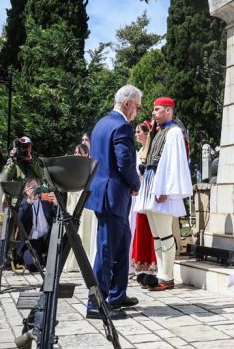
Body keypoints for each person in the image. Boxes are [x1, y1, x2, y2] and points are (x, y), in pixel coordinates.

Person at [85, 85, 143, 319]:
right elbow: (125, 162)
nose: (137, 112)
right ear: (127, 103)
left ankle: (117, 294)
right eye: (137, 106)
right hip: (114, 195)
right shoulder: (121, 126)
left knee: (121, 242)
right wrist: (136, 184)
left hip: (105, 194)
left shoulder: (101, 124)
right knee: (107, 248)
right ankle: (96, 303)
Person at [133, 97, 193, 292]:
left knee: (165, 233)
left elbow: (173, 163)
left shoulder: (174, 132)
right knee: (157, 235)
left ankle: (167, 277)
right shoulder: (158, 132)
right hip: (152, 185)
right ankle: (161, 274)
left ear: (169, 111)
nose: (154, 113)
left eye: (157, 109)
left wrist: (166, 189)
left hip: (161, 188)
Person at [131, 121, 158, 288]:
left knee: (150, 230)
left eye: (138, 131)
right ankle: (142, 267)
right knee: (140, 230)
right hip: (141, 194)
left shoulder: (152, 150)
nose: (136, 134)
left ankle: (153, 268)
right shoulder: (141, 151)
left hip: (149, 193)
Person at [64, 142, 96, 272]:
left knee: (84, 233)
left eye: (79, 152)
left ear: (86, 154)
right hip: (73, 203)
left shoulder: (90, 167)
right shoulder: (72, 167)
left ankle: (83, 262)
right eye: (75, 152)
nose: (76, 155)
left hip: (85, 205)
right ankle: (72, 262)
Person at [16, 177, 56, 272]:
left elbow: (57, 215)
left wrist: (56, 204)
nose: (33, 189)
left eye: (35, 186)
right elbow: (20, 220)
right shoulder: (22, 203)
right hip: (31, 241)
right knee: (33, 266)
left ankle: (47, 258)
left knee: (55, 232)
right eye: (30, 188)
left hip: (47, 237)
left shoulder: (45, 197)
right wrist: (29, 201)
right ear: (25, 190)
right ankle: (40, 259)